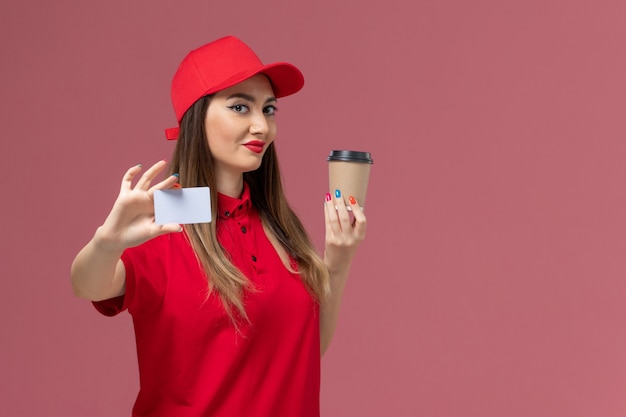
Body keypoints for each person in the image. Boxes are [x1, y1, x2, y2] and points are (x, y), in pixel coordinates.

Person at [70, 35, 367, 416]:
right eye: (240, 107)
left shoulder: (278, 224)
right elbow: (87, 284)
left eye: (269, 109)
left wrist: (338, 261)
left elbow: (303, 352)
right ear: (197, 118)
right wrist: (107, 242)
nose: (261, 125)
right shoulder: (169, 213)